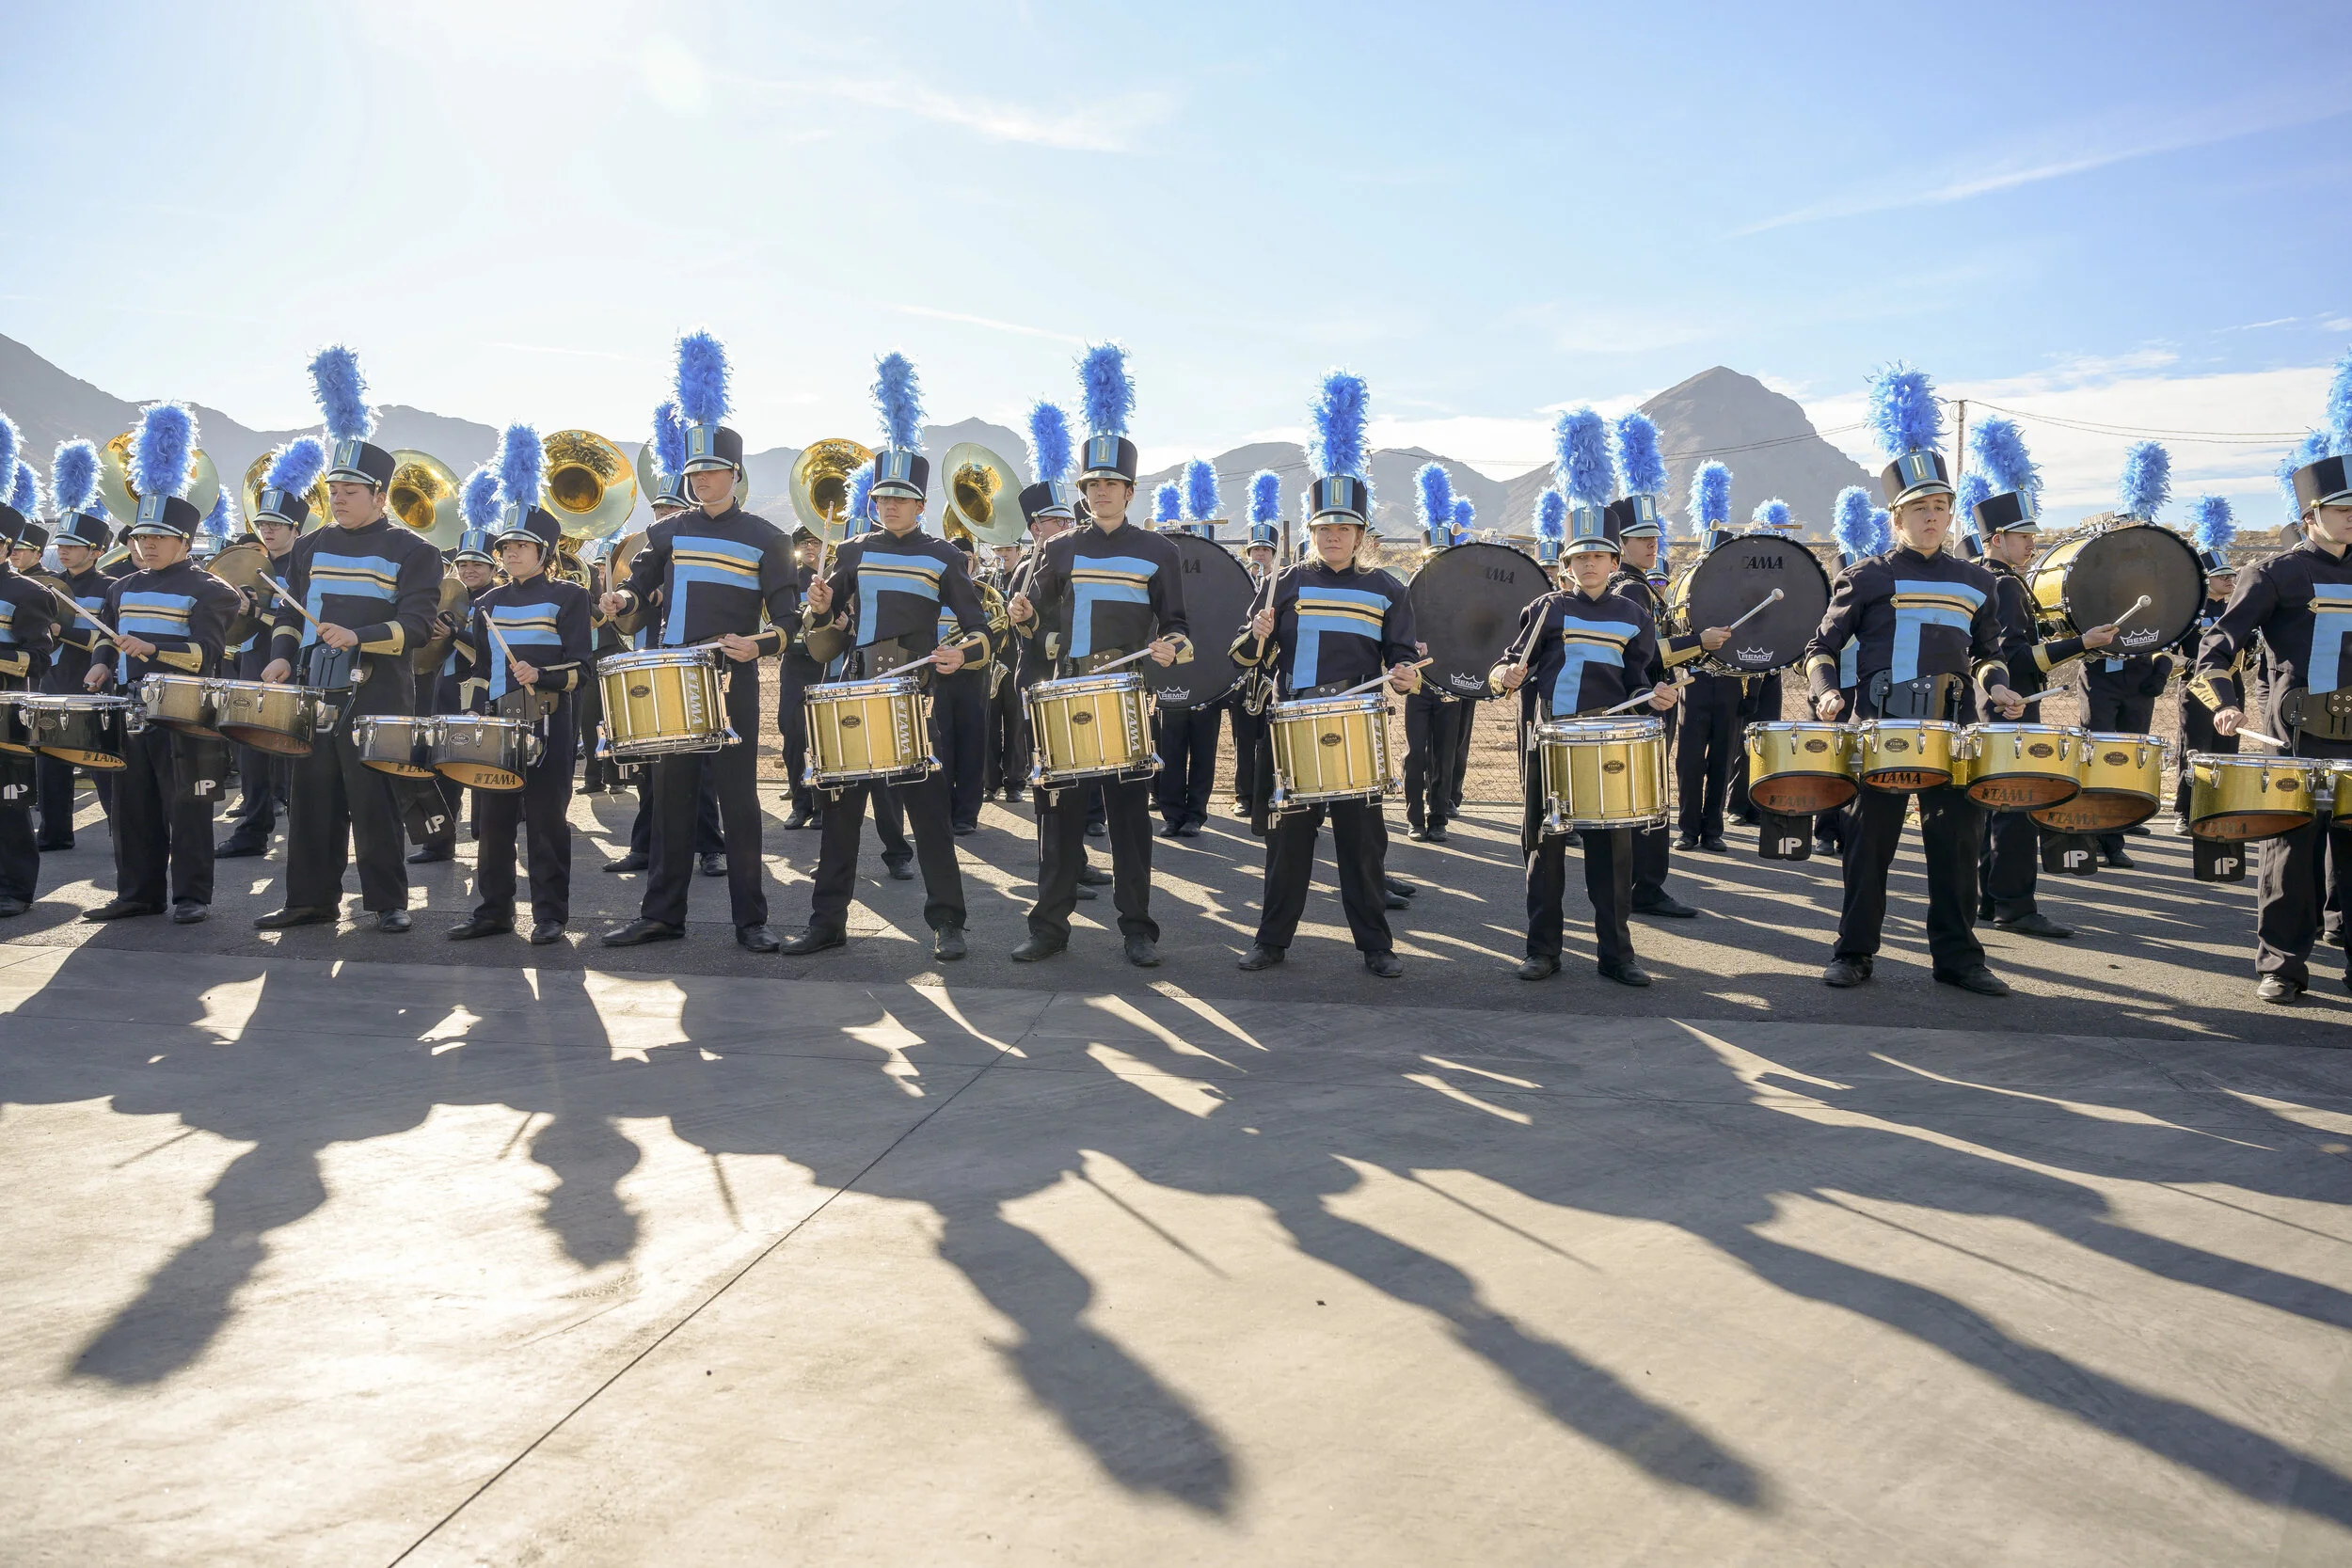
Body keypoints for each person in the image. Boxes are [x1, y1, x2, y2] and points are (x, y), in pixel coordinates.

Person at [1804, 365, 2023, 995]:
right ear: (1896, 516)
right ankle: (1854, 952)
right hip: (1882, 728)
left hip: (1954, 731)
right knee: (1868, 850)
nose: (1934, 518)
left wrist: (1998, 687)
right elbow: (1822, 646)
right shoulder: (1868, 576)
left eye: (1942, 507)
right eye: (1921, 508)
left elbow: (1988, 654)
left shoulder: (1979, 581)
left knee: (1957, 854)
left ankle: (1958, 958)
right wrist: (1825, 693)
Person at [597, 331, 797, 951]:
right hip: (672, 678)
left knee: (739, 807)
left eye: (713, 470)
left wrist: (758, 646)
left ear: (735, 474)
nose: (702, 479)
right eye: (693, 471)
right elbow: (639, 583)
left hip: (731, 679)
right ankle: (662, 914)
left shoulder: (767, 537)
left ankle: (751, 921)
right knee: (672, 805)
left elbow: (787, 619)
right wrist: (621, 600)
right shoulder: (668, 532)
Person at [783, 352, 985, 960]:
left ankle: (948, 923)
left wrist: (958, 657)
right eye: (881, 497)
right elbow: (823, 630)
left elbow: (978, 629)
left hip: (914, 697)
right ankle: (827, 923)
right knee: (840, 815)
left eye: (901, 498)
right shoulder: (853, 550)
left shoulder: (945, 557)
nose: (890, 506)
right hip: (856, 689)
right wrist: (818, 603)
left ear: (920, 503)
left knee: (930, 819)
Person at [1004, 343, 1190, 966]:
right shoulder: (1055, 552)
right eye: (1094, 483)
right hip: (1065, 697)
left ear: (1130, 490)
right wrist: (1024, 619)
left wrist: (1170, 649)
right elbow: (1029, 627)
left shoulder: (1158, 552)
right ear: (1083, 489)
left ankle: (1137, 928)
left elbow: (1182, 628)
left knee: (1131, 822)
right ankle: (1049, 928)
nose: (1103, 491)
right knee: (1057, 821)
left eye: (1113, 483)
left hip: (1130, 697)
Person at [255, 347, 445, 933]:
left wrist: (357, 635)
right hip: (315, 687)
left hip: (379, 690)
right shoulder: (309, 546)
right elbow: (289, 614)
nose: (337, 497)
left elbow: (416, 628)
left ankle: (387, 902)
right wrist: (283, 658)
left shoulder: (413, 551)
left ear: (381, 495)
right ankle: (310, 899)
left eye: (351, 489)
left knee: (375, 800)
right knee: (310, 798)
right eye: (333, 487)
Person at [1233, 372, 1417, 977]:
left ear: (1362, 534)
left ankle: (1377, 947)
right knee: (1288, 846)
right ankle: (1271, 941)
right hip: (1293, 722)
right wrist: (1255, 638)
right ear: (1310, 532)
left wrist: (1404, 675)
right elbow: (1245, 657)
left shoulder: (1388, 588)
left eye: (1343, 528)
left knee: (1362, 846)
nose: (1333, 536)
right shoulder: (1284, 582)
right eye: (1322, 529)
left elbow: (1400, 656)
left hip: (1356, 726)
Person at [1494, 409, 1683, 986]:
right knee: (1544, 852)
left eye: (1600, 556)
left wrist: (1658, 694)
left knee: (1612, 855)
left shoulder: (1632, 613)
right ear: (1567, 563)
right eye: (1581, 558)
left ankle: (1617, 954)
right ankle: (1542, 950)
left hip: (1609, 741)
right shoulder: (1546, 608)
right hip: (1550, 740)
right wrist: (1504, 673)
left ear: (1612, 559)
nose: (1592, 565)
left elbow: (1642, 676)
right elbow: (1511, 660)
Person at [2196, 431, 2352, 1004]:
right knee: (2289, 855)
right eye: (2343, 509)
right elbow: (2214, 649)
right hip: (2298, 737)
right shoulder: (2273, 573)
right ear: (2312, 514)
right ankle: (2283, 966)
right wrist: (2226, 703)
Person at [80, 404, 243, 924]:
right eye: (139, 537)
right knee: (132, 808)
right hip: (131, 709)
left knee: (187, 808)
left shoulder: (212, 590)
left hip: (185, 711)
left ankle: (191, 896)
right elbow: (107, 638)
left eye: (157, 538)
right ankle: (138, 894)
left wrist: (150, 651)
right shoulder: (121, 586)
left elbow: (205, 656)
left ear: (184, 542)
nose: (145, 545)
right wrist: (102, 664)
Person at [1959, 418, 2114, 939]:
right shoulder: (2000, 585)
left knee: (1995, 806)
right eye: (2026, 537)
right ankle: (2014, 906)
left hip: (1995, 705)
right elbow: (2017, 659)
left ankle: (1988, 901)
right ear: (1998, 538)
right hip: (2006, 705)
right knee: (2015, 808)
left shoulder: (1993, 581)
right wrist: (2081, 644)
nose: (2033, 546)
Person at [446, 429, 592, 945]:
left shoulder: (569, 598)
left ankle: (551, 914)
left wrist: (543, 675)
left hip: (549, 719)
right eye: (505, 546)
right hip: (498, 719)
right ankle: (494, 910)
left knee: (548, 820)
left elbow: (583, 669)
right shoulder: (486, 605)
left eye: (521, 546)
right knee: (494, 820)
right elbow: (482, 672)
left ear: (544, 551)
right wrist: (476, 712)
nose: (510, 553)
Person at [1603, 410, 1703, 919]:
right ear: (1618, 546)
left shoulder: (1644, 586)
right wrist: (1697, 643)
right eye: (1641, 538)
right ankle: (1644, 887)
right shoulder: (1628, 588)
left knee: (1647, 795)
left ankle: (1641, 885)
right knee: (1644, 796)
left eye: (1654, 535)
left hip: (1652, 701)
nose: (1652, 543)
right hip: (1641, 702)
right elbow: (1645, 656)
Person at [215, 440, 318, 859]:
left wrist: (258, 612)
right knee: (252, 754)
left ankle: (304, 836)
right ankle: (253, 829)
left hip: (295, 669)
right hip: (252, 664)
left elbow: (306, 623)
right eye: (263, 523)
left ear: (297, 529)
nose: (268, 530)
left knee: (295, 755)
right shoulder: (249, 564)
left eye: (277, 524)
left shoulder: (310, 565)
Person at [35, 444, 119, 851]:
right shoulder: (47, 584)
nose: (64, 550)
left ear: (96, 551)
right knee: (48, 758)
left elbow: (102, 640)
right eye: (61, 544)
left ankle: (121, 830)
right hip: (52, 680)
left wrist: (60, 629)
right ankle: (54, 832)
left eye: (73, 545)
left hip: (91, 683)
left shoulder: (111, 588)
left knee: (101, 764)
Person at [0, 414, 60, 918]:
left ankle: (15, 889)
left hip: (6, 709)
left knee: (9, 802)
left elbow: (37, 658)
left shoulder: (28, 593)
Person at [409, 521, 496, 865]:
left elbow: (492, 652)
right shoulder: (446, 594)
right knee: (441, 769)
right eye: (463, 563)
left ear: (493, 566)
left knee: (482, 769)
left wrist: (456, 632)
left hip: (480, 693)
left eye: (477, 563)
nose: (468, 569)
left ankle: (489, 844)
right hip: (445, 689)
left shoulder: (498, 599)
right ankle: (439, 843)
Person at [1673, 463, 1744, 851]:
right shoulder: (1687, 588)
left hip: (1732, 682)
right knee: (1688, 759)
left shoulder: (1742, 591)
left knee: (1723, 756)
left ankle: (1713, 829)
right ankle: (1686, 827)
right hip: (1694, 679)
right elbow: (1674, 631)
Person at [2171, 501, 2238, 830]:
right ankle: (2184, 811)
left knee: (2228, 747)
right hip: (2197, 687)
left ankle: (2217, 806)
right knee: (2196, 747)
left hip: (2231, 684)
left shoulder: (2236, 611)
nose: (2228, 579)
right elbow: (2166, 654)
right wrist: (2189, 666)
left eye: (2230, 574)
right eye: (2221, 575)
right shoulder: (2187, 612)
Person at [933, 537, 997, 834]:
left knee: (973, 744)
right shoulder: (931, 589)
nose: (963, 563)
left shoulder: (985, 594)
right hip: (938, 676)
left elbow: (997, 635)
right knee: (941, 743)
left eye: (967, 557)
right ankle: (942, 808)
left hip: (974, 676)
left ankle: (967, 814)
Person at [777, 526, 825, 829]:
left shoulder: (835, 575)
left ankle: (823, 806)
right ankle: (800, 803)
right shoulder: (788, 578)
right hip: (795, 662)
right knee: (793, 734)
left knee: (823, 736)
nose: (809, 547)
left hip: (826, 662)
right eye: (803, 543)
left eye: (815, 541)